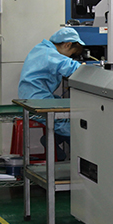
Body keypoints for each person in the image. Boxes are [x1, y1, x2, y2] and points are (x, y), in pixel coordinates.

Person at [18, 27, 85, 160]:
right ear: (67, 45)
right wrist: (86, 68)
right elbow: (71, 68)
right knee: (67, 124)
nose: (69, 57)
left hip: (32, 96)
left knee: (62, 109)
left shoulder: (41, 48)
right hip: (37, 99)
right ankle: (75, 155)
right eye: (71, 54)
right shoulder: (49, 53)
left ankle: (54, 140)